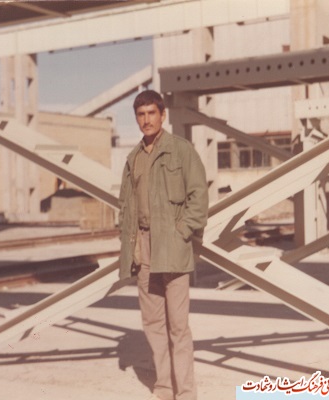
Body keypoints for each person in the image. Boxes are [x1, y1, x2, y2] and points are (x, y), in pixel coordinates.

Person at [118, 89, 209, 400]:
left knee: (178, 326)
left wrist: (182, 231)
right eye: (141, 115)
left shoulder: (181, 151)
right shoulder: (133, 159)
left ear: (163, 115)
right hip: (144, 247)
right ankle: (164, 387)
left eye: (151, 113)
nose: (146, 120)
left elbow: (199, 197)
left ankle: (185, 393)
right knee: (153, 323)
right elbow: (126, 208)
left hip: (172, 246)